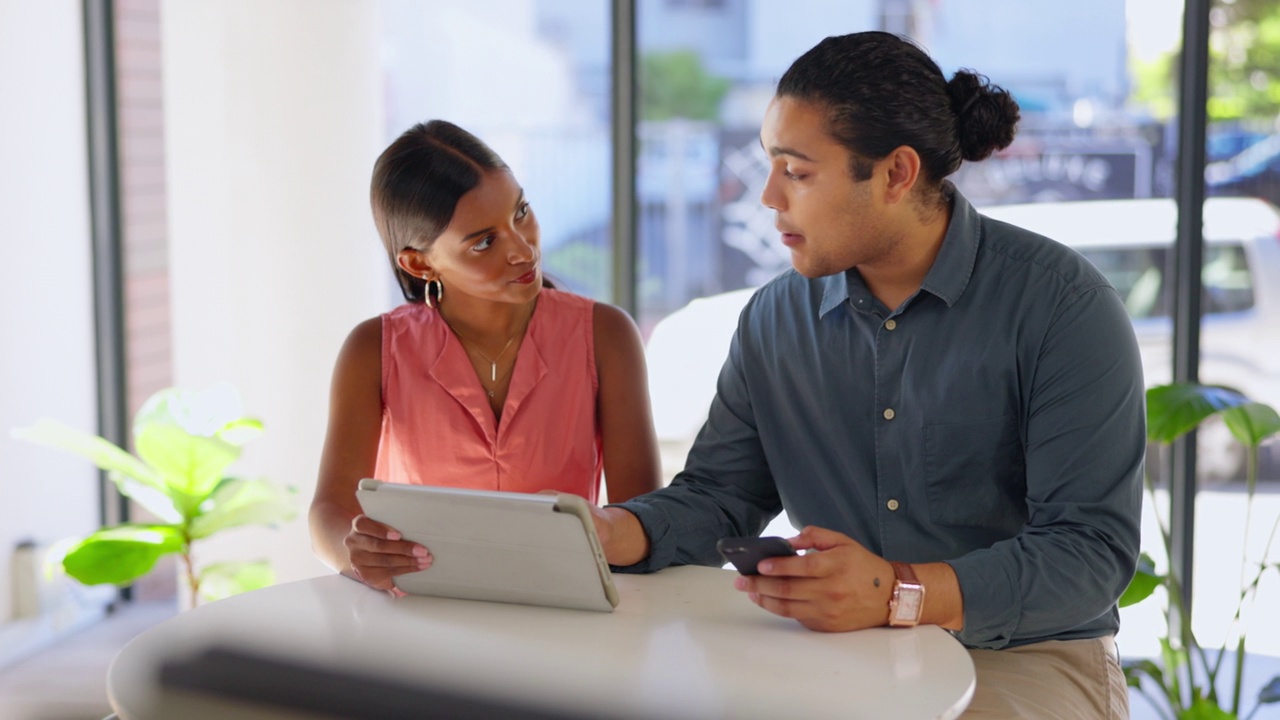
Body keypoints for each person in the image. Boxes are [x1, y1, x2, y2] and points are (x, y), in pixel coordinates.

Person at [590, 32, 1144, 718]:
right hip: (836, 651)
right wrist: (612, 530)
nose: (768, 197)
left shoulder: (1063, 306)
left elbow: (1087, 555)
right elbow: (721, 495)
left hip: (1024, 656)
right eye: (770, 166)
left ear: (895, 174)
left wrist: (897, 592)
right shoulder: (773, 319)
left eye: (796, 171)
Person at [310, 120, 662, 595]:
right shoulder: (372, 350)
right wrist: (352, 549)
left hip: (567, 609)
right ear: (419, 262)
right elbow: (329, 513)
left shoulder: (606, 336)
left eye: (520, 212)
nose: (523, 249)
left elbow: (642, 518)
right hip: (422, 616)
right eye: (483, 242)